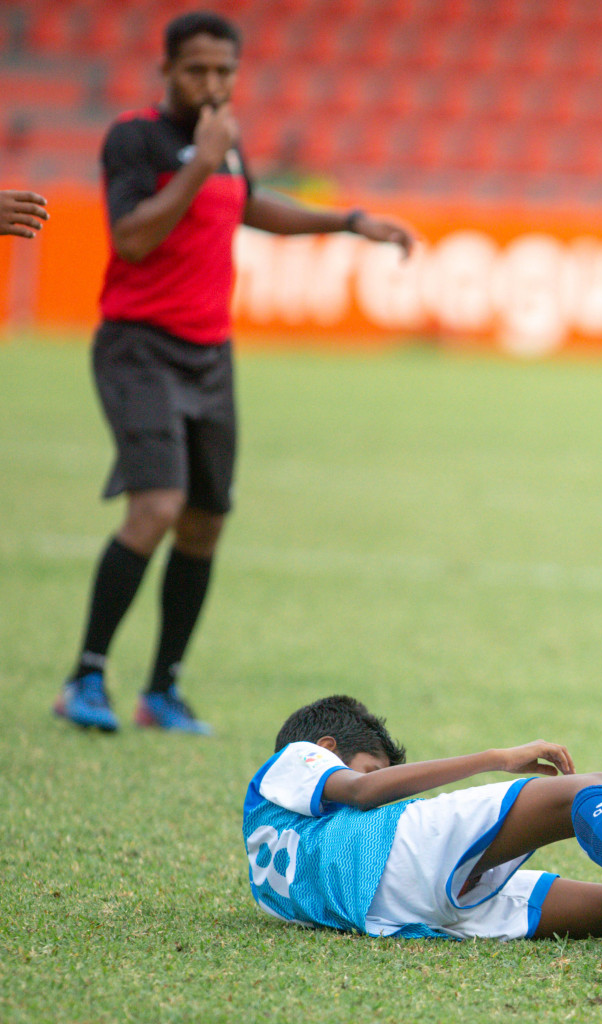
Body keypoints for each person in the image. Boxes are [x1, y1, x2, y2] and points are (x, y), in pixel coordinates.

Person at [52, 11, 415, 735]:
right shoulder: (136, 139)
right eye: (197, 70)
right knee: (156, 507)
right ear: (167, 72)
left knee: (205, 522)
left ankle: (163, 692)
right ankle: (85, 677)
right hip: (139, 347)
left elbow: (247, 206)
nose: (212, 83)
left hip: (209, 353)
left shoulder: (226, 141)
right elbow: (132, 237)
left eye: (224, 71)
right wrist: (198, 160)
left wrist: (349, 221)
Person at [245, 695, 602, 939]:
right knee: (591, 788)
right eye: (373, 768)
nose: (377, 782)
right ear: (326, 748)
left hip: (403, 911)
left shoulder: (267, 892)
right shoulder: (295, 755)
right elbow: (361, 792)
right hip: (400, 856)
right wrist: (498, 758)